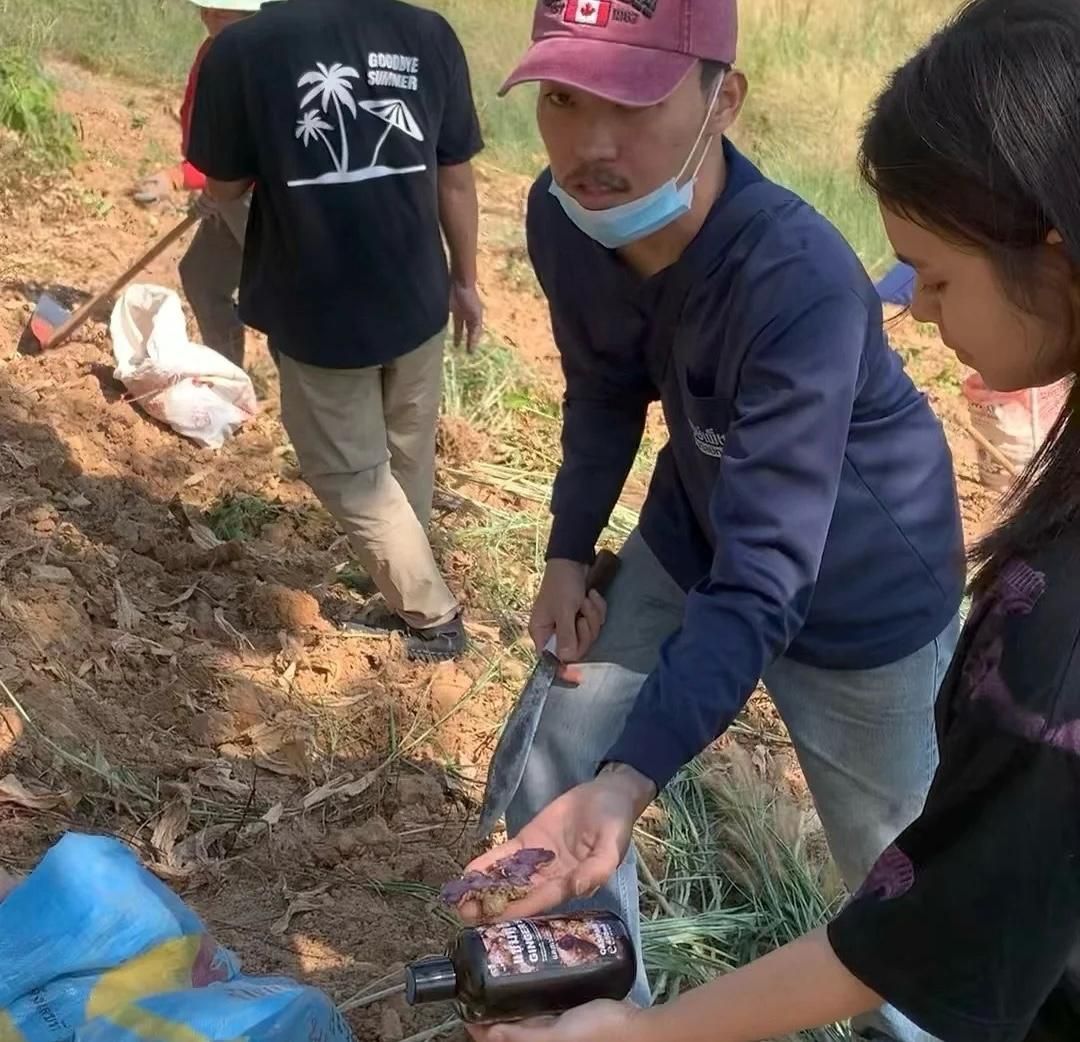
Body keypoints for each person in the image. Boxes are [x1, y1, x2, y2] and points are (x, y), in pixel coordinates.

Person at [465, 0, 1080, 1039]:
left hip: (859, 584)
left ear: (724, 101)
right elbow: (604, 386)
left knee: (904, 862)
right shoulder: (564, 220)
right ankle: (578, 1002)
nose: (591, 145)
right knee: (558, 751)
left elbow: (765, 578)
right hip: (702, 516)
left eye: (633, 102)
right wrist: (570, 551)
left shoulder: (798, 279)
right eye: (563, 99)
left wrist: (633, 778)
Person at [187, 0, 484, 661]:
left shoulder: (242, 50)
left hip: (319, 304)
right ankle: (405, 576)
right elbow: (456, 180)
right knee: (407, 450)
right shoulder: (428, 33)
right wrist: (466, 280)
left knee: (349, 471)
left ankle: (431, 617)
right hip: (418, 294)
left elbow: (225, 186)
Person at [132, 0, 262, 368]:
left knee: (284, 300)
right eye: (205, 9)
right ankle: (226, 375)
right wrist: (209, 183)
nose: (208, 17)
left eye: (220, 12)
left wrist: (181, 178)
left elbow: (250, 144)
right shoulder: (213, 49)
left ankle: (303, 391)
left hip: (259, 199)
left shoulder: (258, 62)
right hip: (226, 188)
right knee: (204, 278)